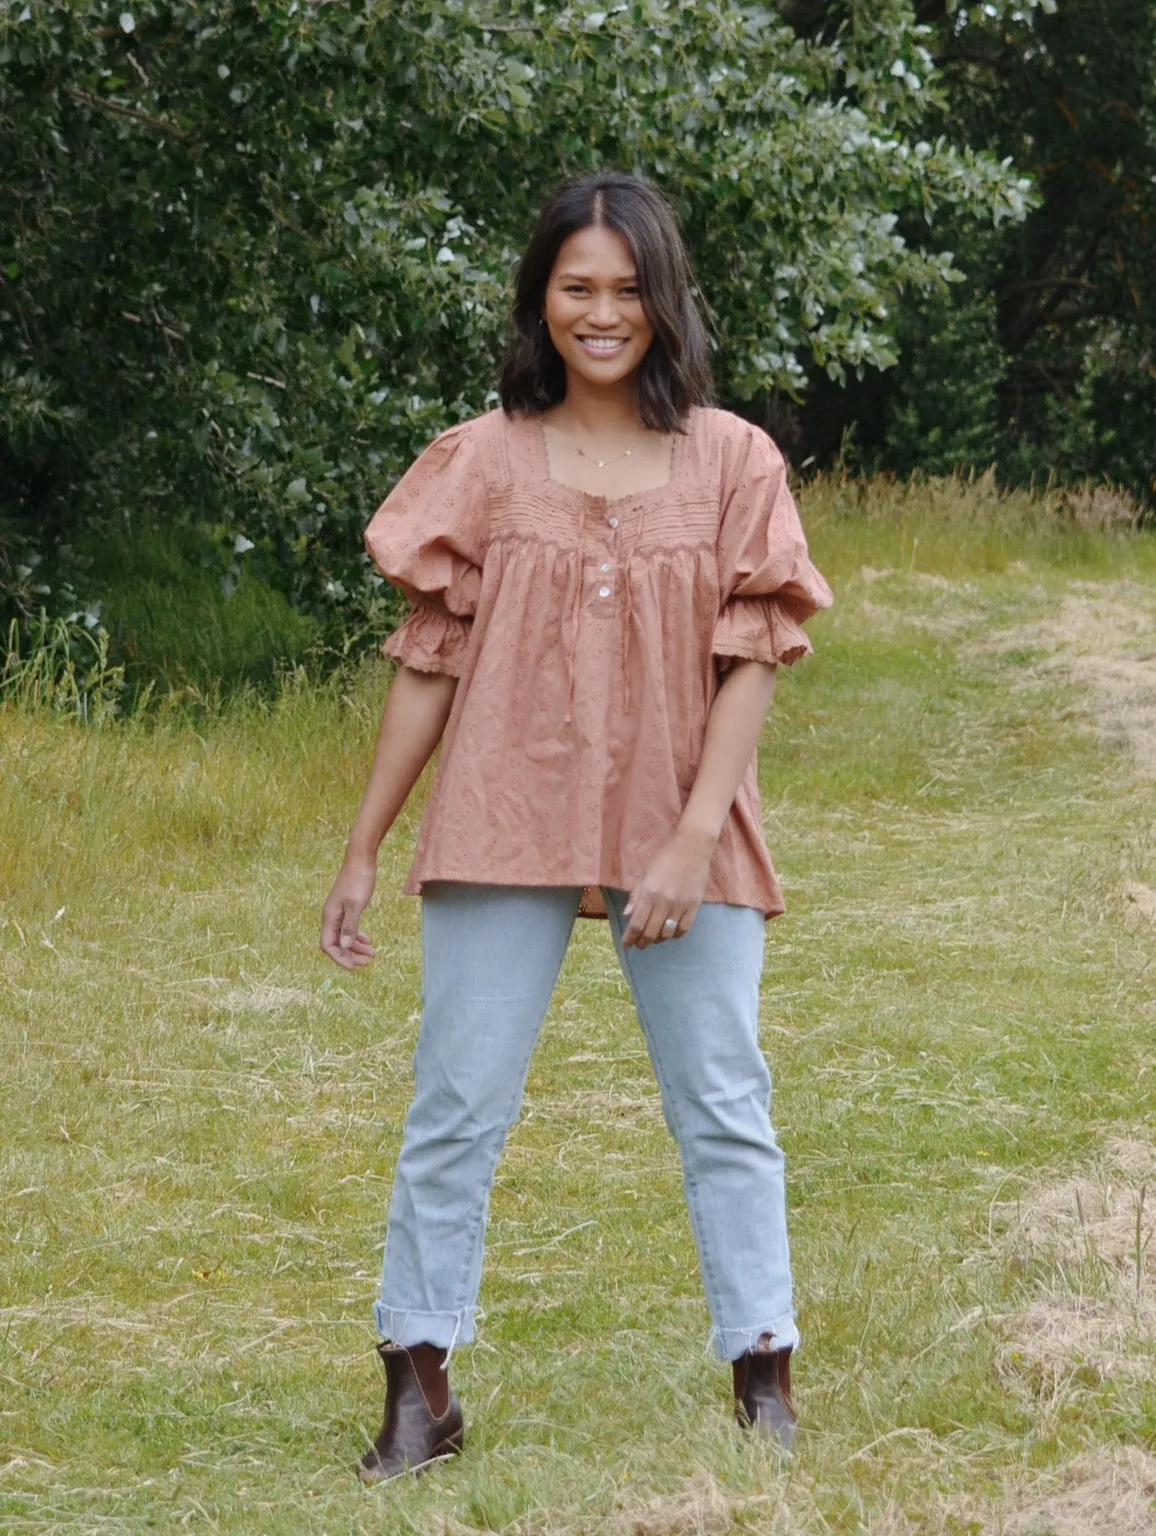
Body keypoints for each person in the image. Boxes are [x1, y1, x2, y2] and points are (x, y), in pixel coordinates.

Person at [320, 171, 833, 1486]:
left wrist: (686, 839)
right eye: (575, 288)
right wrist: (369, 842)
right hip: (505, 807)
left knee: (725, 1098)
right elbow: (431, 660)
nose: (601, 314)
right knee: (456, 1102)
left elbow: (754, 657)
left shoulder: (735, 460)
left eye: (625, 289)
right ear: (540, 298)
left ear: (665, 301)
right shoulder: (480, 459)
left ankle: (763, 1374)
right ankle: (420, 1382)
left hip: (686, 818)